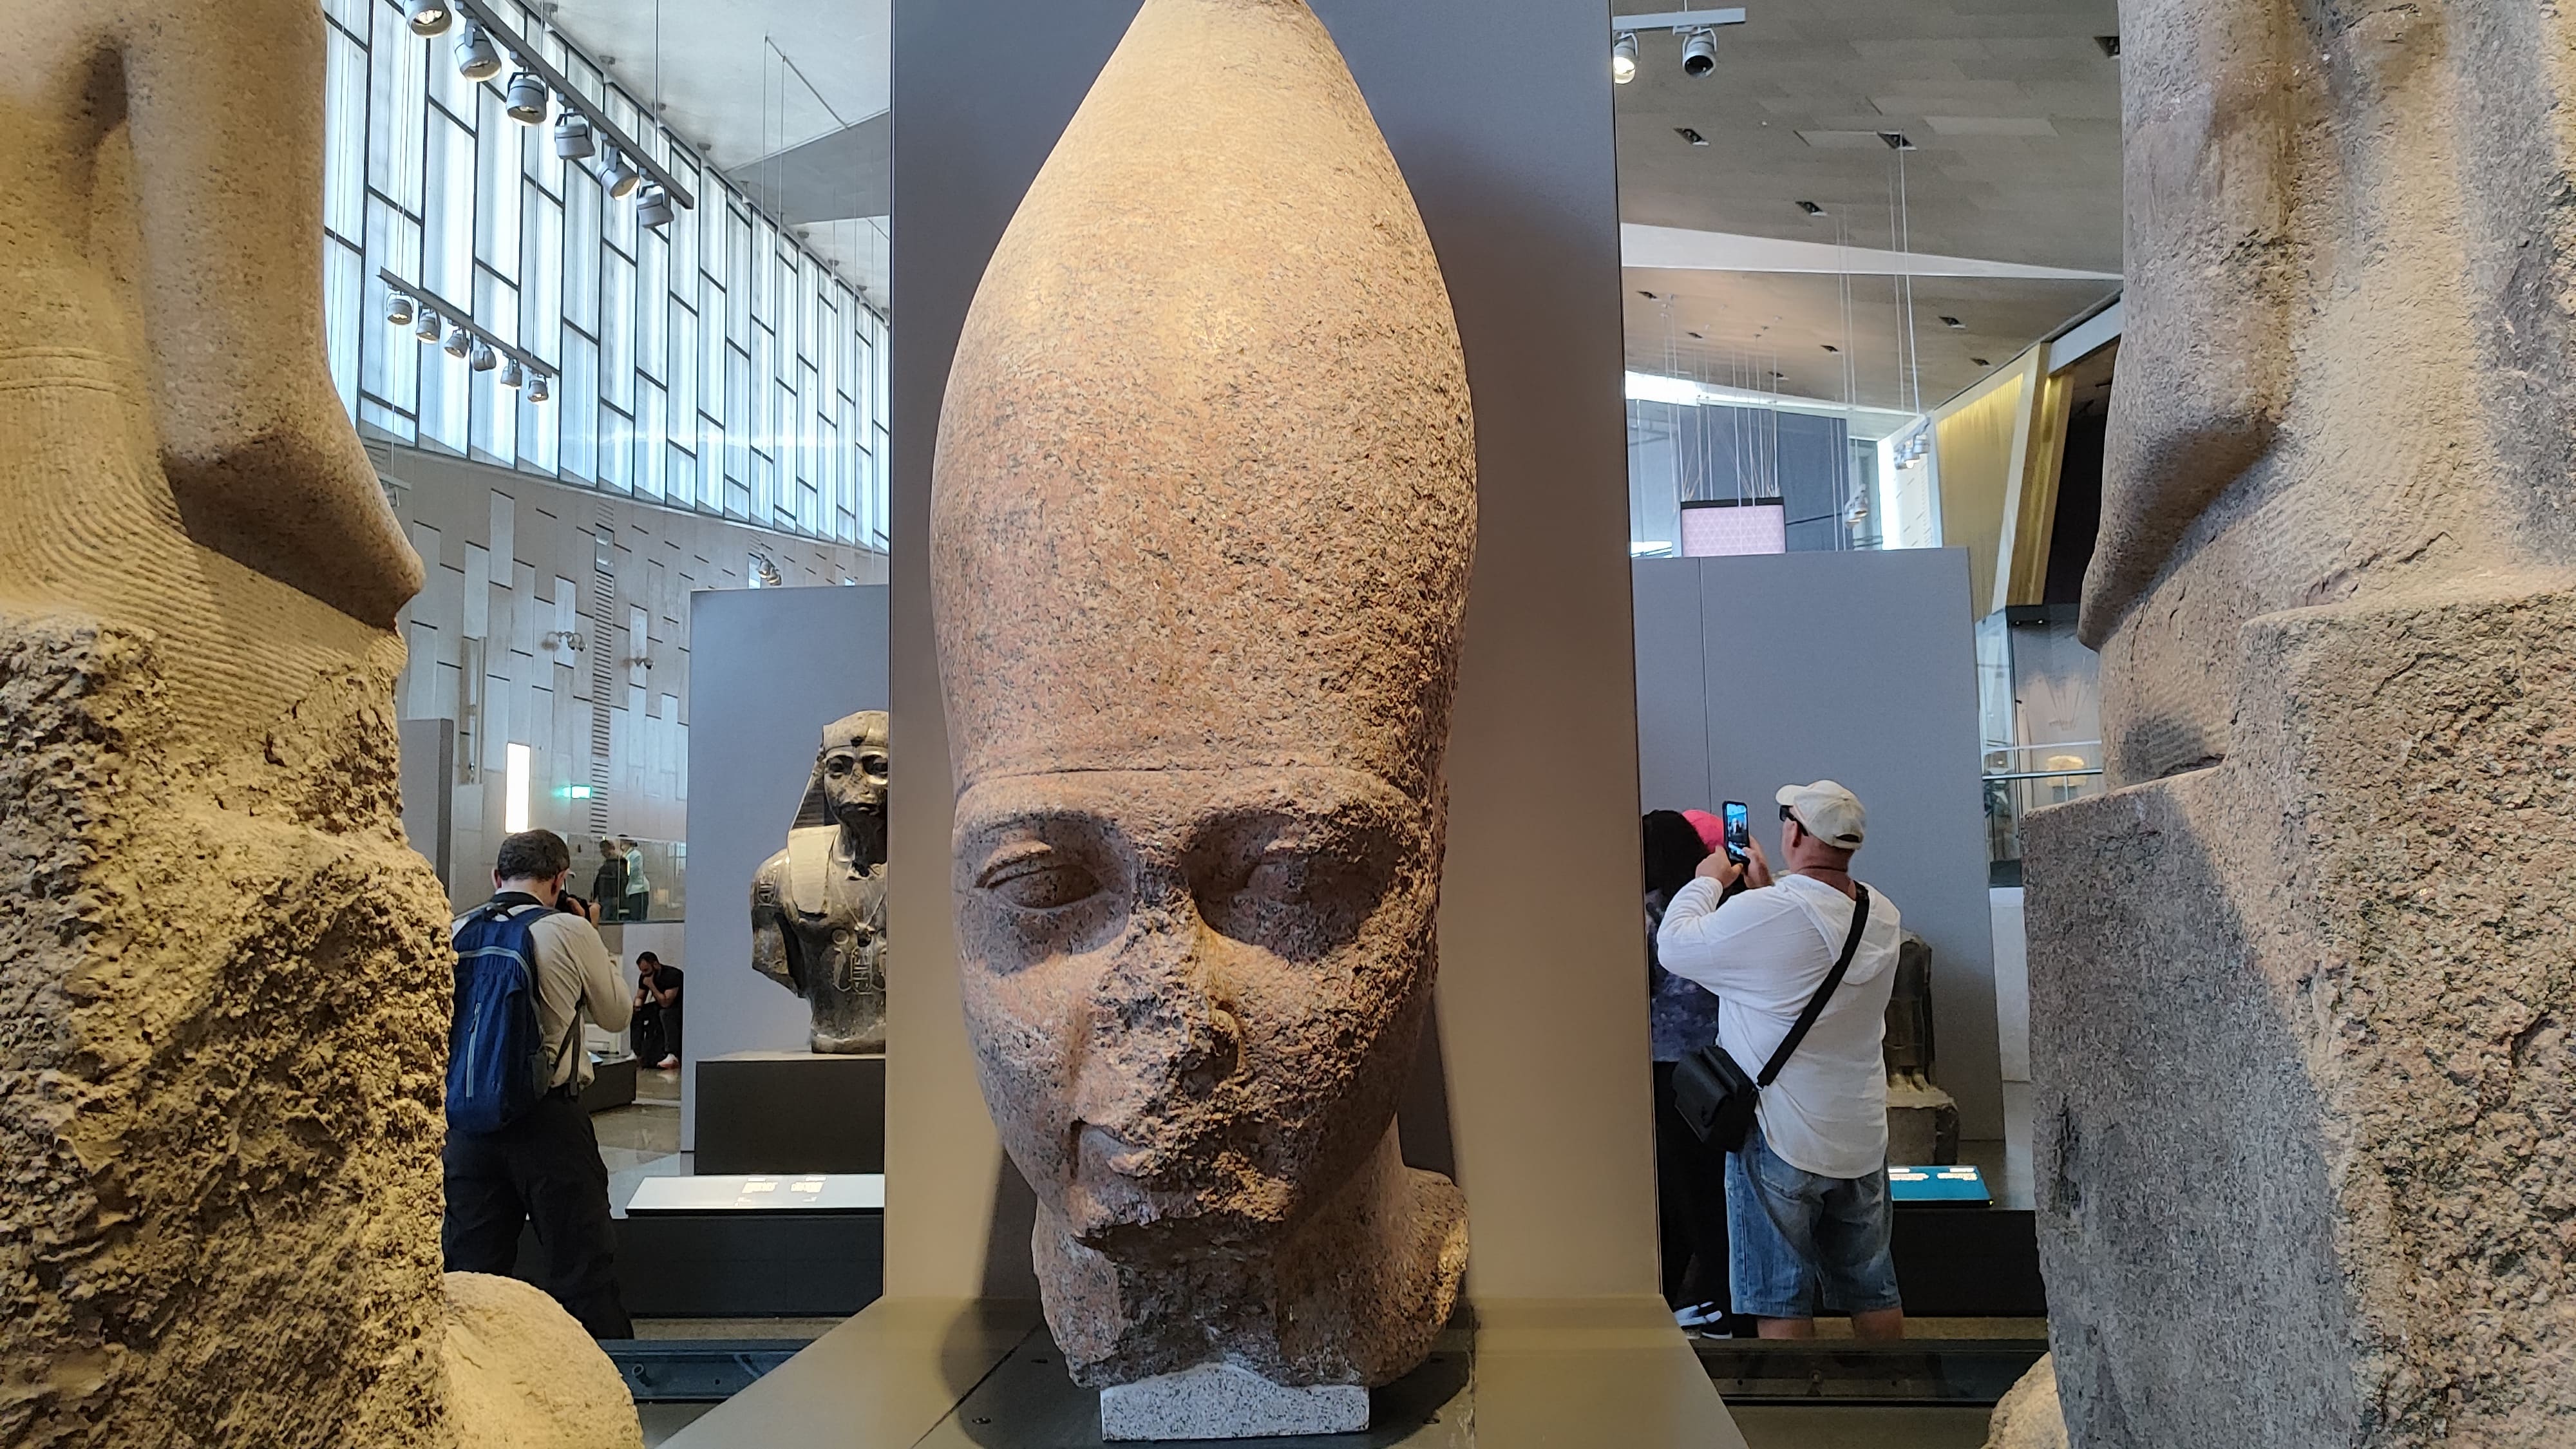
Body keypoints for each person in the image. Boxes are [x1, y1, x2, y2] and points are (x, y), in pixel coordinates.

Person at [1656, 781, 1908, 1342]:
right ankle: (1896, 1386)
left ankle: (1796, 1394)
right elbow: (1802, 937)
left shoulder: (1771, 911)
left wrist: (1708, 880)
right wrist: (1765, 889)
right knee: (1873, 1290)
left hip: (1779, 1134)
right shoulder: (1882, 914)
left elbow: (1675, 946)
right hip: (1860, 1133)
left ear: (1794, 833)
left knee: (1779, 1298)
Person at [442, 828, 635, 1340]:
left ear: (496, 877)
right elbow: (617, 1015)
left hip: (466, 1123)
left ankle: (478, 1375)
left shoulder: (457, 929)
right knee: (581, 1264)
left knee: (470, 1272)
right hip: (548, 1120)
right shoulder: (568, 930)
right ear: (559, 880)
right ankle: (605, 1374)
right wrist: (589, 932)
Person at [1643, 810, 1741, 1334]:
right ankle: (1717, 1295)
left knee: (1681, 1188)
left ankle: (1710, 1300)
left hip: (1667, 1069)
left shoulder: (1652, 913)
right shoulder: (1723, 907)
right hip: (1724, 1066)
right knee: (1712, 1185)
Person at [632, 951, 684, 1070]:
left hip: (677, 1006)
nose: (644, 974)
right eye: (642, 971)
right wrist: (636, 1005)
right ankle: (637, 1052)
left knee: (665, 1014)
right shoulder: (645, 976)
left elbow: (666, 1003)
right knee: (636, 1015)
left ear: (655, 965)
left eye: (646, 970)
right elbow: (640, 996)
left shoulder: (672, 975)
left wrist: (651, 985)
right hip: (660, 1004)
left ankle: (672, 1054)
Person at [589, 837, 629, 923]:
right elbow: (598, 882)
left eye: (604, 851)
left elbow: (623, 882)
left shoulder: (619, 863)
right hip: (604, 897)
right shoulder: (606, 865)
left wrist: (619, 898)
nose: (603, 854)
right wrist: (593, 896)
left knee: (608, 921)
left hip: (612, 899)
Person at [620, 837, 651, 923]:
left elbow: (631, 872)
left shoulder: (635, 855)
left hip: (638, 890)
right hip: (631, 891)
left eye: (623, 843)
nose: (621, 846)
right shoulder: (627, 855)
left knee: (637, 919)